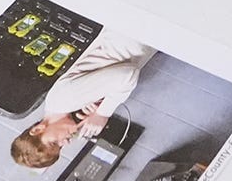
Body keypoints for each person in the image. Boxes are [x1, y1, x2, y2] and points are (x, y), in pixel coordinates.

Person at [8, 30, 153, 169]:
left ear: (37, 129)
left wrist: (102, 114)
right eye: (61, 147)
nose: (65, 142)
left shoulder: (66, 100)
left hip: (135, 32)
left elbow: (128, 75)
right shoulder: (63, 103)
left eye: (54, 143)